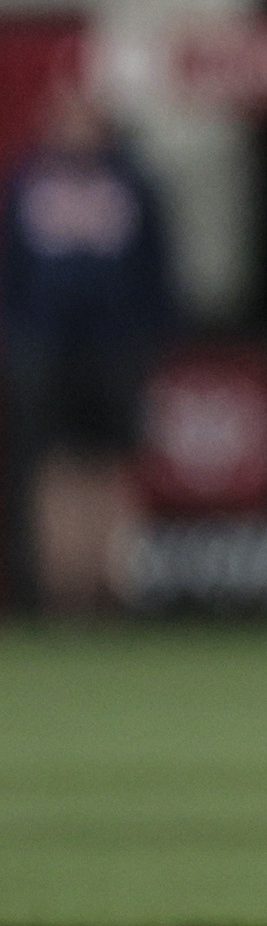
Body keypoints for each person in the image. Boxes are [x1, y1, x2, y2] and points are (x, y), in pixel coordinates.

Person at [4, 88, 174, 615]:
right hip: (44, 349)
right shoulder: (25, 185)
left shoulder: (133, 186)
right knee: (55, 467)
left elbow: (158, 272)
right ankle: (64, 588)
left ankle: (114, 584)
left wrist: (151, 335)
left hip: (115, 349)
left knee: (113, 466)